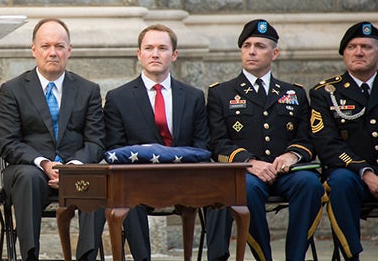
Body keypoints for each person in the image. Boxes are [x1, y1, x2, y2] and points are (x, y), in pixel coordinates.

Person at [206, 19, 325, 261]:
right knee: (246, 190)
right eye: (246, 45)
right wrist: (249, 162)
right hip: (248, 172)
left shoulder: (294, 92)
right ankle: (264, 257)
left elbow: (308, 138)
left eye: (260, 45)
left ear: (275, 53)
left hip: (287, 173)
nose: (251, 51)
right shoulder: (221, 93)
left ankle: (295, 256)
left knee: (310, 184)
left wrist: (292, 155)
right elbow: (217, 142)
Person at [95, 24, 210, 261]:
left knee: (224, 189)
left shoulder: (193, 96)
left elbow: (203, 146)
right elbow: (113, 149)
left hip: (185, 179)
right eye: (148, 48)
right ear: (139, 54)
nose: (155, 54)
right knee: (128, 192)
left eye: (162, 48)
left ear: (174, 54)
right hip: (140, 181)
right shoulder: (119, 98)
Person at [0, 18, 105, 261]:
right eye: (45, 46)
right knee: (29, 177)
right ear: (33, 50)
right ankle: (30, 256)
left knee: (95, 177)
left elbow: (96, 141)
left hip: (75, 170)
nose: (53, 53)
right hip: (28, 170)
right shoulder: (12, 90)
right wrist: (44, 164)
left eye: (59, 46)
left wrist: (71, 169)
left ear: (69, 50)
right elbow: (8, 142)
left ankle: (86, 257)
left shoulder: (88, 90)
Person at [309, 21, 378, 261]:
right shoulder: (325, 93)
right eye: (351, 47)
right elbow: (327, 145)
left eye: (366, 47)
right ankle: (351, 256)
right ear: (344, 53)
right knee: (338, 181)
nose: (358, 52)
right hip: (353, 174)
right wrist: (366, 173)